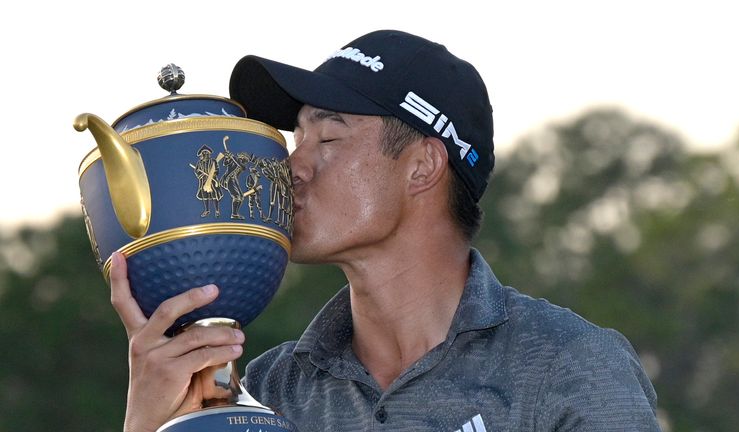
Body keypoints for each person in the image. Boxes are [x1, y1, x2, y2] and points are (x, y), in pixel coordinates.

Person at [109, 30, 661, 432]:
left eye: (328, 139)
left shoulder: (569, 363)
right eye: (297, 138)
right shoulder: (270, 390)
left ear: (422, 165)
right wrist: (151, 425)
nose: (293, 165)